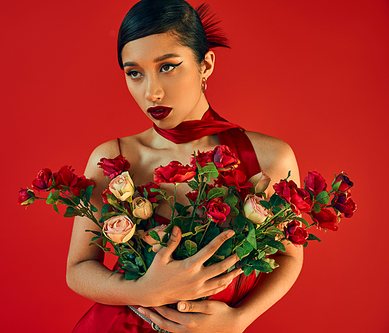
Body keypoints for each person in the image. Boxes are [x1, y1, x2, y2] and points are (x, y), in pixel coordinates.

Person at [66, 0, 303, 332]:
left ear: (206, 64)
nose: (152, 92)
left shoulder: (268, 158)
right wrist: (141, 291)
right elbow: (78, 268)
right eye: (134, 73)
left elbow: (289, 256)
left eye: (167, 67)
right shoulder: (114, 160)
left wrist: (238, 321)